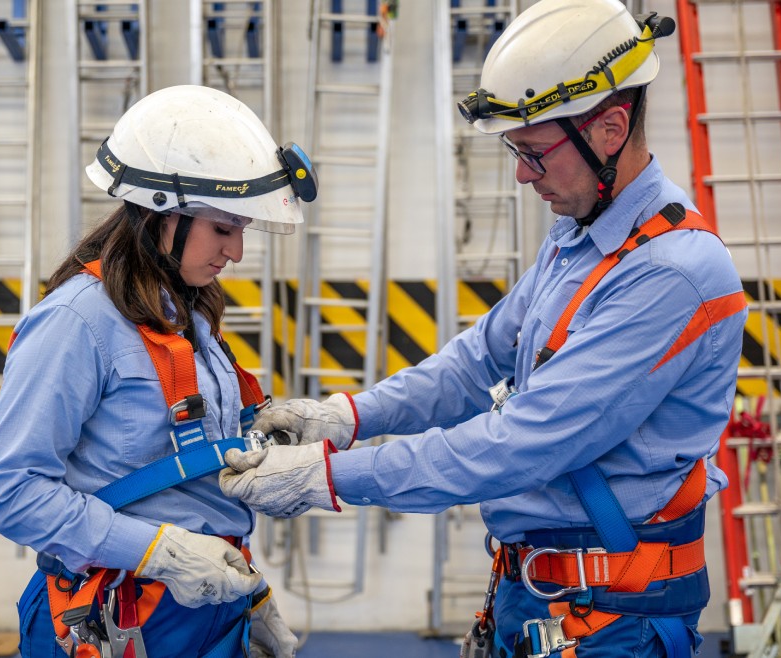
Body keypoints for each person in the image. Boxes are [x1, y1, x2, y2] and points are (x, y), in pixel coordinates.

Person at [219, 2, 748, 657]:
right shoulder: (581, 240)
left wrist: (326, 476)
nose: (523, 176)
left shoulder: (672, 273)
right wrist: (345, 417)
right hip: (537, 598)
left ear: (611, 128)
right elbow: (475, 363)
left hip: (613, 622)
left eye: (534, 153)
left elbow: (520, 446)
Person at [0, 85, 317, 658]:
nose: (235, 252)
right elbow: (9, 492)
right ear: (163, 211)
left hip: (200, 613)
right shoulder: (76, 323)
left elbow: (187, 486)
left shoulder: (184, 317)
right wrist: (157, 552)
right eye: (224, 228)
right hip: (118, 619)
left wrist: (248, 597)